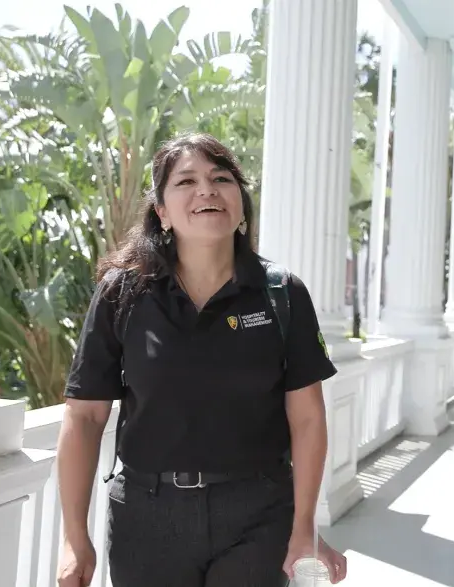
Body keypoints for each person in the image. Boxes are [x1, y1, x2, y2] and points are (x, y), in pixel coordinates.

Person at [55, 133, 348, 587]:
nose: (207, 190)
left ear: (241, 204)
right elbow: (85, 417)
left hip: (259, 516)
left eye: (221, 178)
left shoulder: (282, 293)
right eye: (186, 181)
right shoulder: (123, 293)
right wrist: (75, 538)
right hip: (147, 520)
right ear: (162, 212)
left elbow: (308, 419)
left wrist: (304, 526)